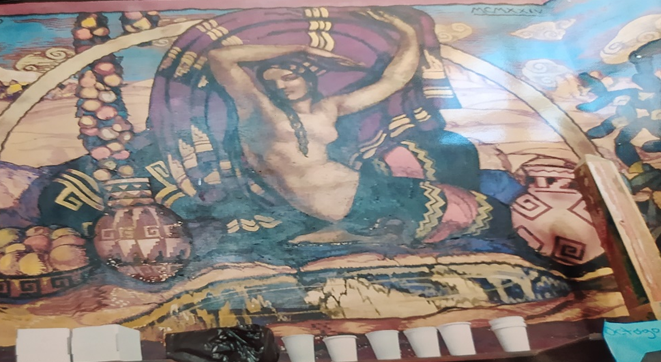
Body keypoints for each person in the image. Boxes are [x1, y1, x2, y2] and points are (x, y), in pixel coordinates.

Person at [208, 12, 511, 243]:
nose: (281, 86)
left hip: (365, 192)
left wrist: (408, 34)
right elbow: (220, 57)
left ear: (307, 79)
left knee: (479, 202)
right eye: (273, 82)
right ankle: (350, 230)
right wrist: (303, 49)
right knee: (464, 210)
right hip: (342, 202)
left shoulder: (329, 108)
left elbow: (394, 79)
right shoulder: (258, 109)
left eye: (289, 77)